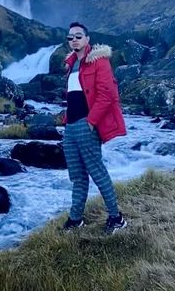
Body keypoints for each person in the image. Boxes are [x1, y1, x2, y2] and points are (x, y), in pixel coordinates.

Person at [61, 21, 128, 235]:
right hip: (70, 127)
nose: (74, 40)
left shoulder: (99, 61)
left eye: (78, 36)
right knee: (77, 176)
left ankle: (117, 218)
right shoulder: (71, 63)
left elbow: (107, 95)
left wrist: (91, 122)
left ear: (87, 39)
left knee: (97, 172)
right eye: (70, 37)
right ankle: (75, 219)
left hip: (85, 125)